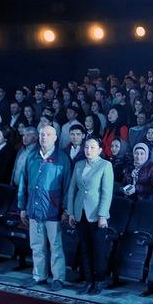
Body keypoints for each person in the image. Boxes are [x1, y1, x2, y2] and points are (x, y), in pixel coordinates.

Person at [17, 125, 71, 291]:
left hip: (53, 210)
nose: (44, 137)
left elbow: (68, 186)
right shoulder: (32, 156)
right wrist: (22, 206)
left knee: (55, 246)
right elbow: (23, 182)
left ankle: (58, 278)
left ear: (55, 138)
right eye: (41, 134)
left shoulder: (62, 159)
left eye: (48, 134)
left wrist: (66, 209)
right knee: (36, 245)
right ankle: (38, 275)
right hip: (34, 208)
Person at [65, 137, 114, 295]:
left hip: (96, 214)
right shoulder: (79, 164)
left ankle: (99, 280)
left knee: (98, 249)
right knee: (85, 249)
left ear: (100, 150)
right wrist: (71, 212)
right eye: (86, 147)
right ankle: (88, 281)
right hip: (80, 213)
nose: (88, 150)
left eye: (93, 147)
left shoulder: (105, 165)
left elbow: (107, 193)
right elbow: (72, 190)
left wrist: (102, 215)